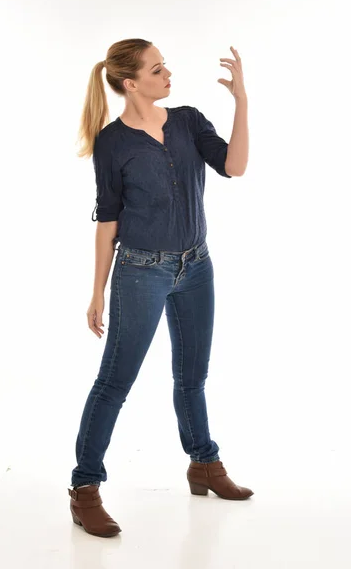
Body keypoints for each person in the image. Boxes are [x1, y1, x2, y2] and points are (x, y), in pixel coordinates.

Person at [68, 38, 253, 538]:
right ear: (131, 84)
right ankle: (84, 488)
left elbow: (235, 167)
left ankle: (205, 465)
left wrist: (242, 101)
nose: (168, 74)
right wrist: (97, 290)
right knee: (114, 383)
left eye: (165, 66)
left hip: (197, 266)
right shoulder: (112, 143)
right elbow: (107, 218)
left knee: (193, 375)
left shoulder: (190, 121)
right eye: (157, 69)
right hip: (141, 270)